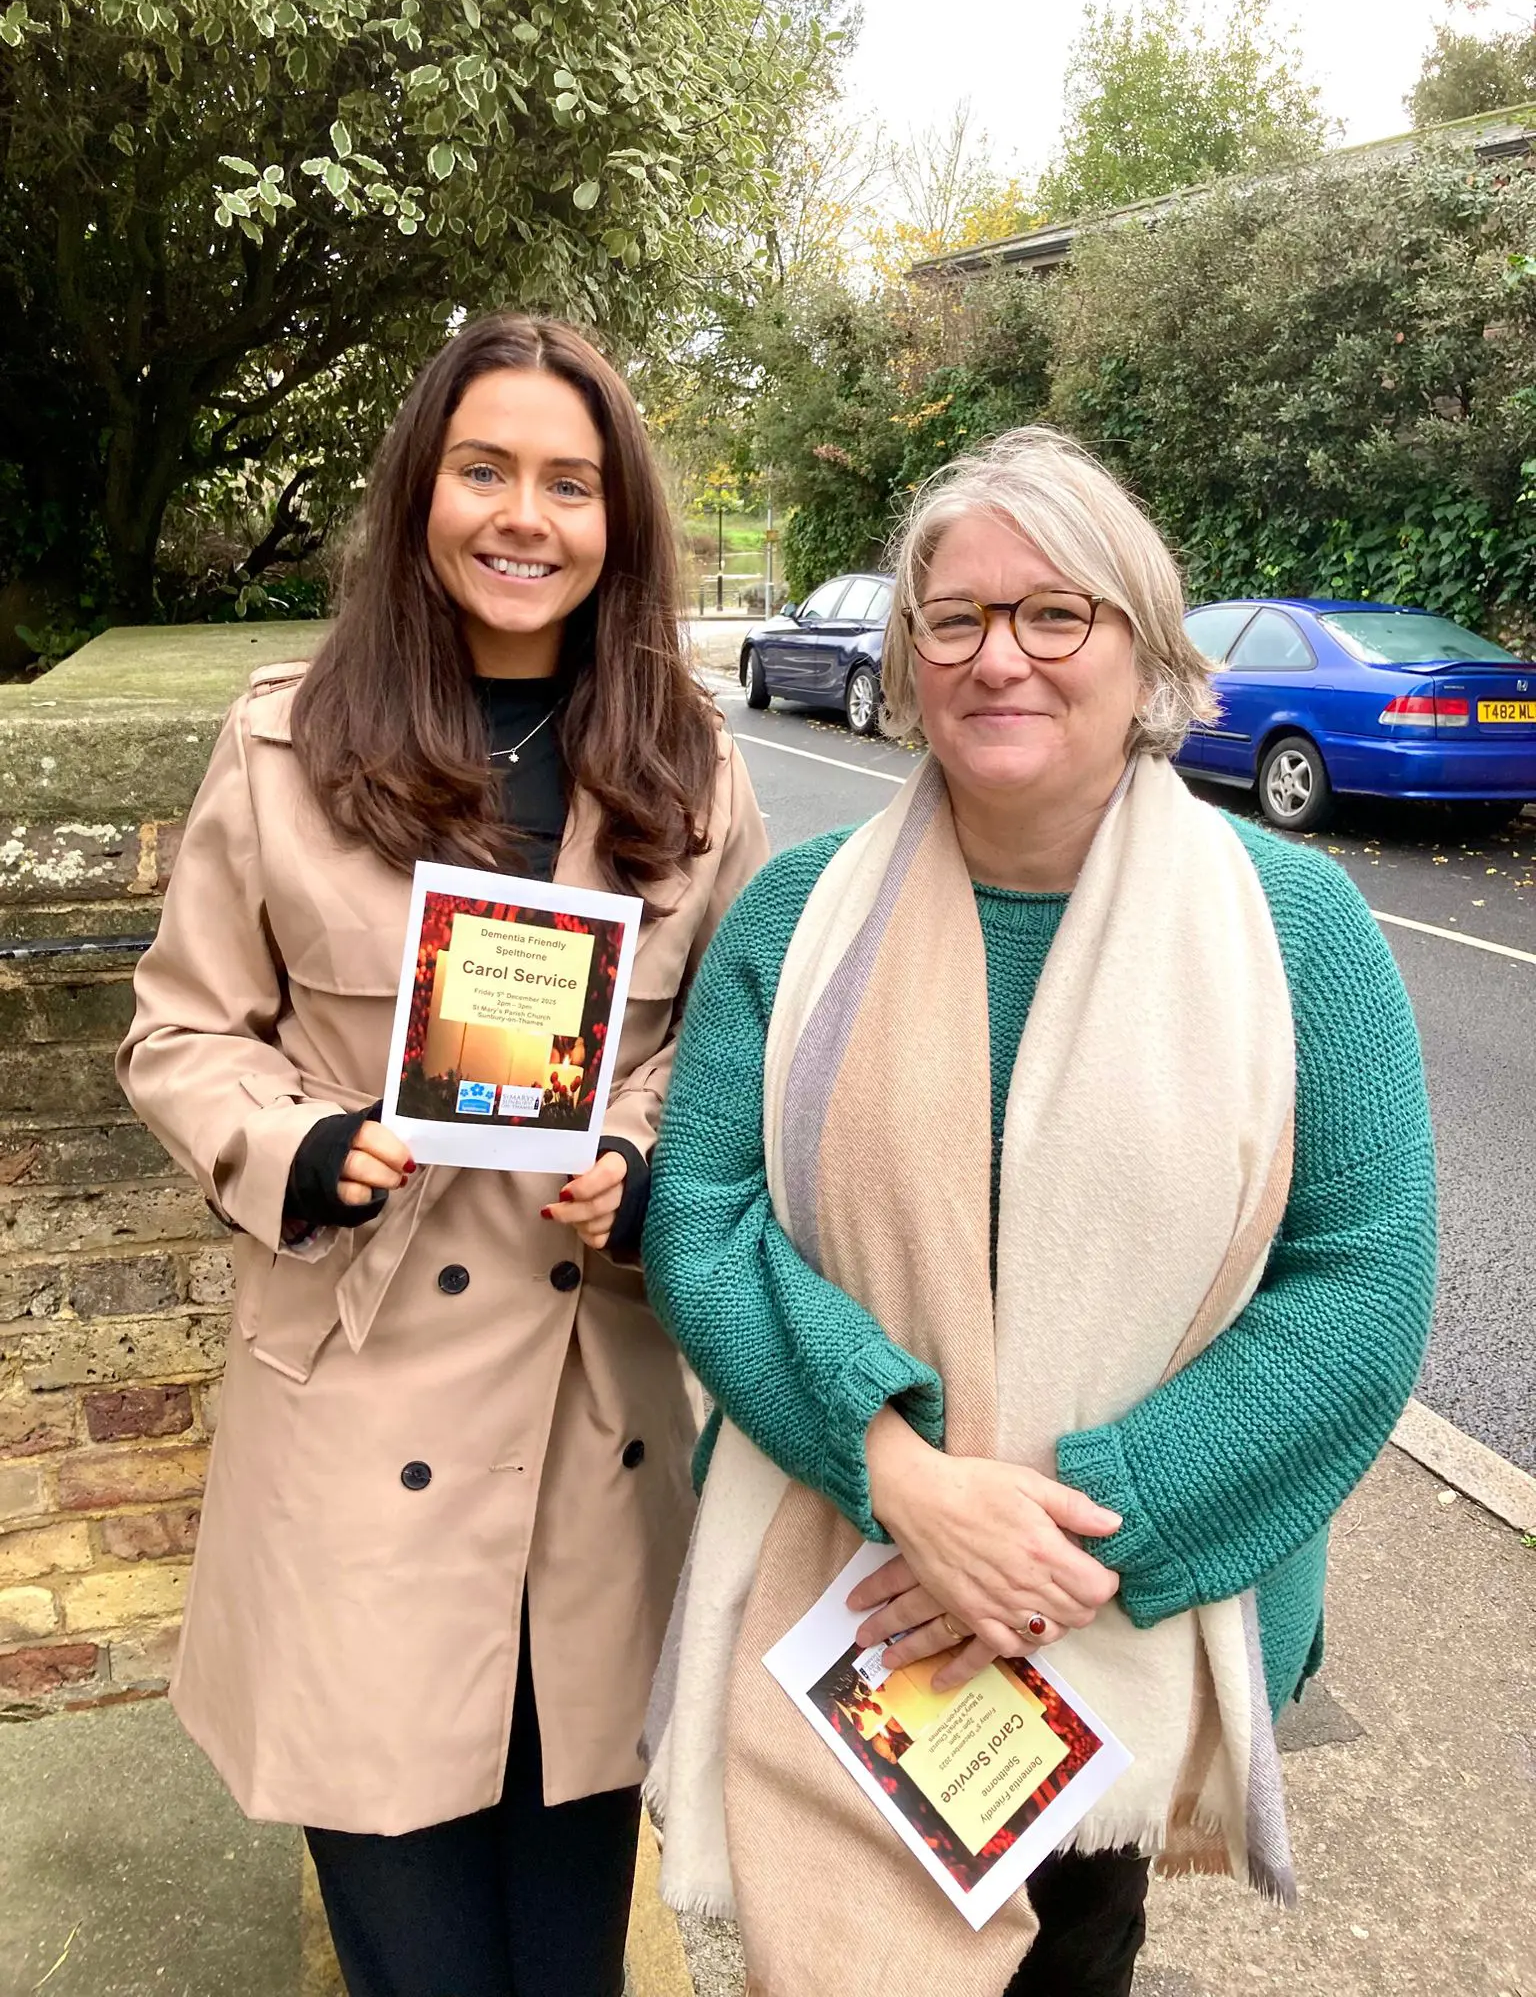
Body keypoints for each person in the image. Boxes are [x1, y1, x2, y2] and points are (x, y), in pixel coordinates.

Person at [641, 427, 1436, 1997]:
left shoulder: (1300, 931)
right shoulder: (799, 920)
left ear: (1142, 653)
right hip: (846, 1598)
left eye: (1056, 614)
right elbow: (703, 1218)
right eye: (958, 617)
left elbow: (1365, 1287)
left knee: (1075, 1959)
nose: (1002, 656)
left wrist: (1062, 1537)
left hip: (1119, 1618)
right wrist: (907, 1486)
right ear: (912, 653)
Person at [117, 312, 769, 1997]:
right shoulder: (285, 742)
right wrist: (305, 1141)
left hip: (593, 1449)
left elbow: (739, 1052)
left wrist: (636, 1151)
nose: (524, 516)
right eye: (485, 468)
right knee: (416, 1965)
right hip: (357, 1420)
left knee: (570, 1963)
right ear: (423, 490)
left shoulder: (695, 768)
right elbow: (182, 1032)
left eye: (569, 481)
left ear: (617, 520)